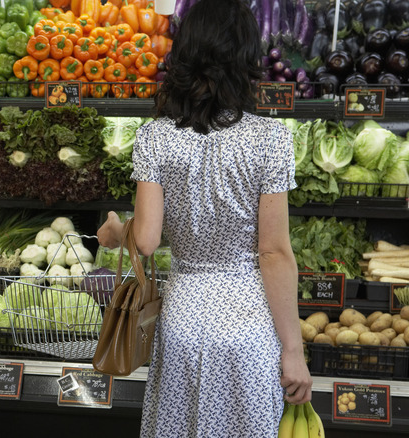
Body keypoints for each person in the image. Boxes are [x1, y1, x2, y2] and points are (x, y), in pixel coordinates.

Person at [96, 0, 312, 436]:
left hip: (181, 322)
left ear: (185, 54)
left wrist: (116, 231)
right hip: (248, 326)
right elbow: (272, 253)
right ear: (248, 58)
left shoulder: (155, 136)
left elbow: (147, 239)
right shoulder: (270, 139)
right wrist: (293, 350)